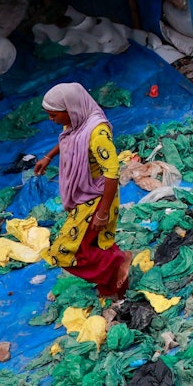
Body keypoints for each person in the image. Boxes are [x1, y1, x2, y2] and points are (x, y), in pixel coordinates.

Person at [33, 83, 130, 300]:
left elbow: (112, 173)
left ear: (71, 109)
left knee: (69, 249)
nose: (51, 120)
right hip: (84, 193)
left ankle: (118, 263)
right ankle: (113, 288)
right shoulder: (78, 122)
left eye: (54, 115)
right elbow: (69, 138)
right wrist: (49, 156)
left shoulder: (97, 133)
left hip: (97, 196)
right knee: (93, 243)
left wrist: (103, 212)